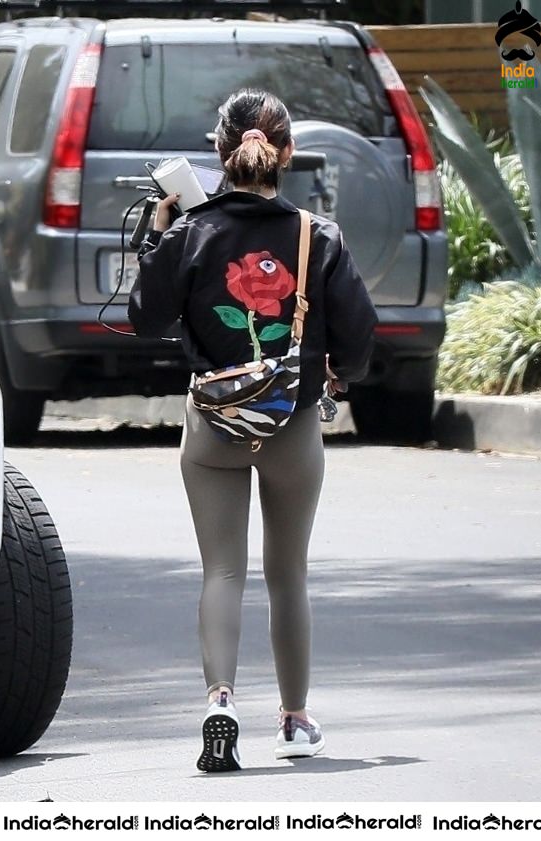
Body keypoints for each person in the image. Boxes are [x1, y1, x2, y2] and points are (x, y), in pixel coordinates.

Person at [128, 88, 377, 772]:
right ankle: (294, 720)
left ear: (219, 153)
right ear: (286, 155)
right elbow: (357, 336)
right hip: (292, 425)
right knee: (286, 572)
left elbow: (144, 317)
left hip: (212, 427)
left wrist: (161, 224)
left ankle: (220, 700)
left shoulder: (190, 233)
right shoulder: (316, 236)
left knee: (221, 569)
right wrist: (337, 376)